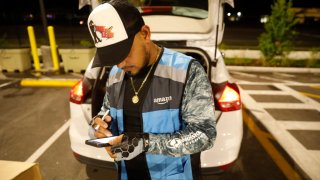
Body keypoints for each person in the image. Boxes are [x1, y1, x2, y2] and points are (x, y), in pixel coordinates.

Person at [87, 0, 216, 179]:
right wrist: (98, 126)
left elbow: (205, 134)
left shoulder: (186, 71)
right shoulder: (116, 74)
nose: (120, 63)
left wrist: (145, 143)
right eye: (113, 56)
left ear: (145, 34)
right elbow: (104, 113)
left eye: (124, 53)